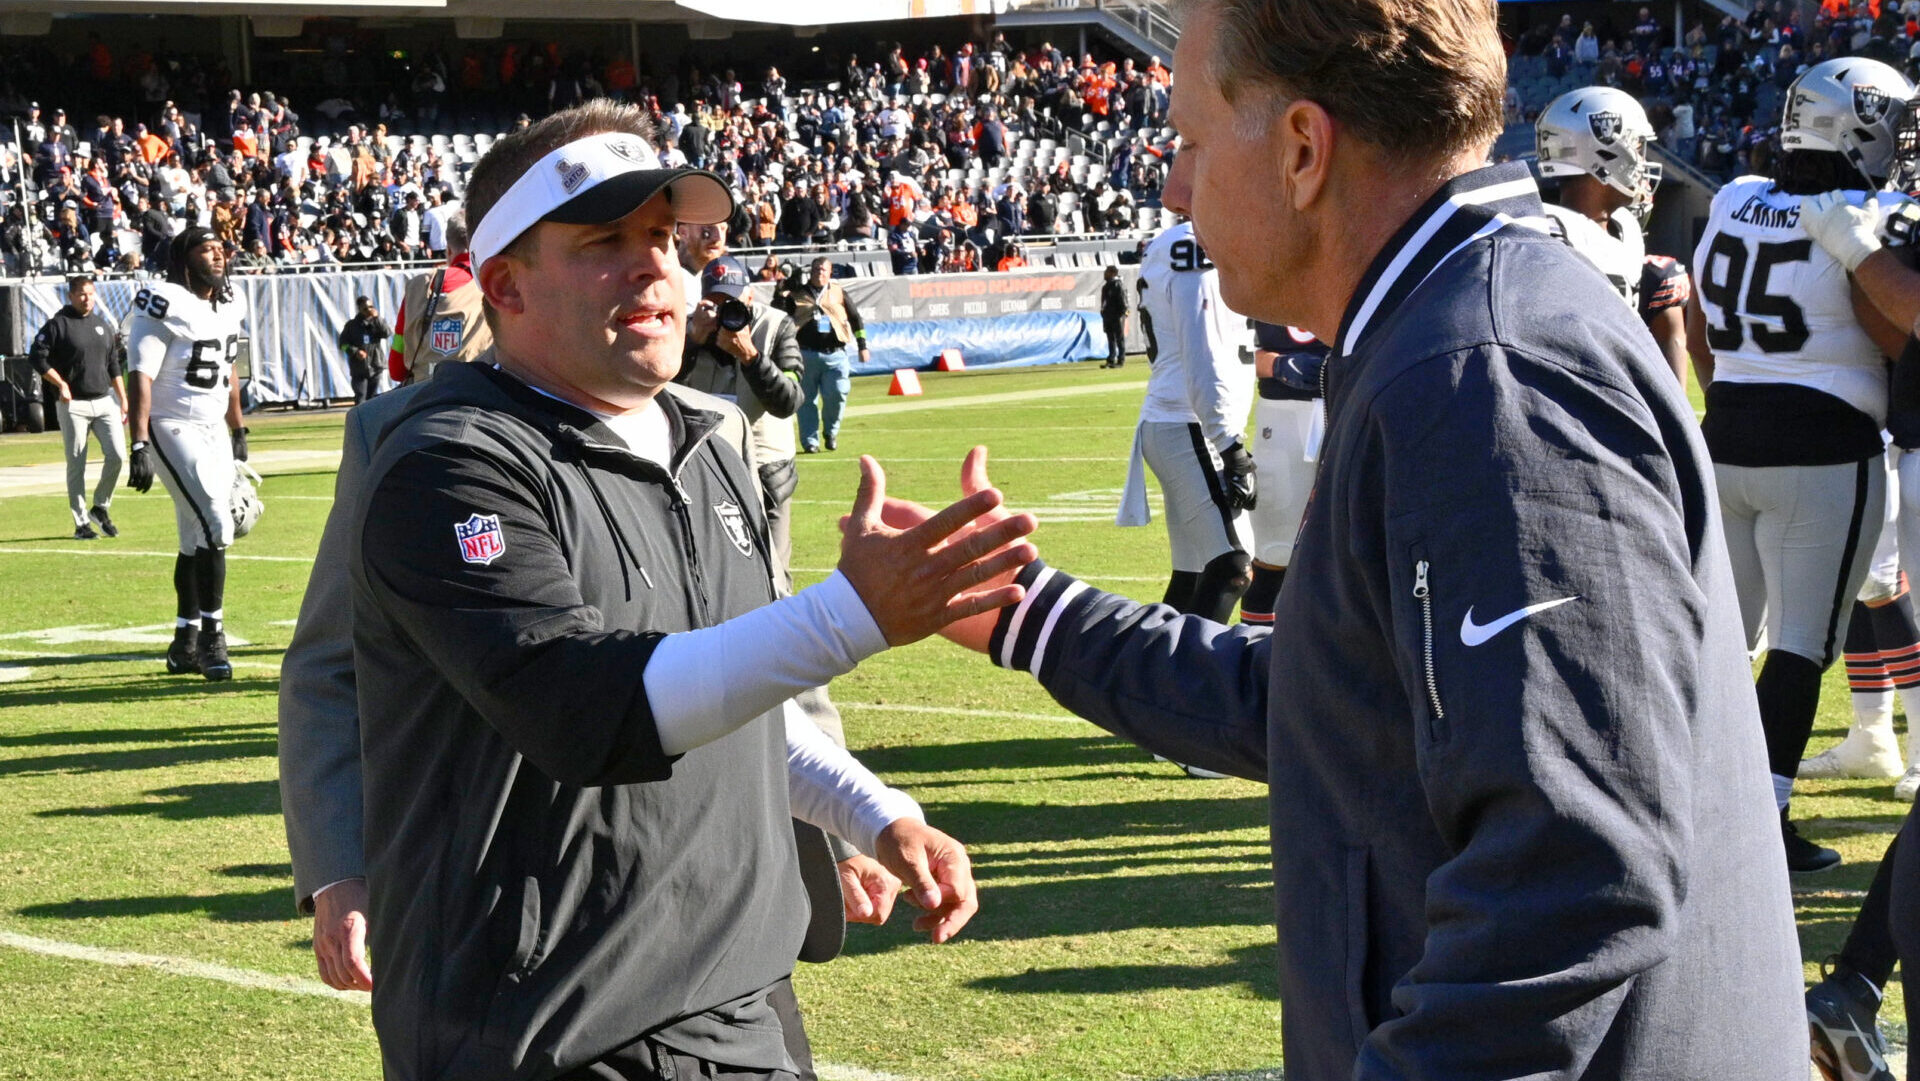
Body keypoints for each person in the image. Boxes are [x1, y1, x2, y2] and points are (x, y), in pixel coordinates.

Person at [889, 0, 1807, 1074]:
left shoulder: (1484, 375)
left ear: (1301, 149)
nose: (1174, 189)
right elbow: (1344, 703)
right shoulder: (1445, 328)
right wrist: (1027, 615)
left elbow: (1568, 869)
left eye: (1188, 141)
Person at [344, 101, 1032, 1081]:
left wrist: (874, 811)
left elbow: (730, 691)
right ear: (505, 284)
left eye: (665, 236)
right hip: (544, 1022)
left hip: (736, 993)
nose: (653, 264)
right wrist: (853, 614)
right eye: (604, 241)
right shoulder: (452, 465)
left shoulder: (706, 439)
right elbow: (585, 706)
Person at [1685, 56, 1914, 874]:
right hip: (1824, 448)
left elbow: (1700, 330)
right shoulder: (1870, 213)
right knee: (1801, 646)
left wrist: (1735, 395)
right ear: (1857, 123)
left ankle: (1691, 800)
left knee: (1720, 640)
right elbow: (1896, 328)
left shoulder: (1735, 199)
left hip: (1728, 440)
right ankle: (1765, 820)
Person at [124, 227, 249, 682]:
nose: (217, 255)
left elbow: (231, 368)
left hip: (212, 426)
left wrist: (238, 428)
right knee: (217, 522)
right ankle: (213, 637)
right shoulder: (163, 300)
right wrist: (138, 442)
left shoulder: (232, 302)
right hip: (171, 424)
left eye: (221, 249)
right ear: (184, 257)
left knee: (193, 537)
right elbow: (140, 374)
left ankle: (183, 642)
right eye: (206, 249)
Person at [1117, 218, 1257, 626]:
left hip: (1189, 422)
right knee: (1233, 566)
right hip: (1190, 423)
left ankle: (1148, 676)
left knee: (1194, 575)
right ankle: (1183, 685)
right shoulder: (1193, 243)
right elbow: (1203, 353)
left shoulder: (1187, 241)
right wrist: (1231, 446)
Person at [1534, 87, 1694, 386]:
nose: (1641, 161)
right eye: (1635, 146)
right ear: (1603, 152)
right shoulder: (1550, 234)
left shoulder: (1624, 228)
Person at [678, 254, 805, 565]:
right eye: (716, 302)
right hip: (708, 468)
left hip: (766, 470)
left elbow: (789, 401)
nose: (725, 311)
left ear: (750, 294)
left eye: (733, 301)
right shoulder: (691, 329)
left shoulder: (776, 325)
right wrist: (692, 342)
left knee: (774, 572)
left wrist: (751, 356)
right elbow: (656, 390)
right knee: (716, 569)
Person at [1238, 322, 1325, 625]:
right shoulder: (1257, 276)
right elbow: (1233, 355)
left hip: (1356, 401)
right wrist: (1277, 364)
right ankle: (1257, 663)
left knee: (1361, 550)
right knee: (1275, 552)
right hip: (1283, 411)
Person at [31, 274, 127, 540]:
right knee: (77, 464)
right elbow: (36, 358)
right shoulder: (58, 325)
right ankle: (81, 522)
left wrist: (123, 397)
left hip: (104, 400)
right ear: (71, 296)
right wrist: (60, 383)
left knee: (118, 456)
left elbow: (113, 364)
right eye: (82, 294)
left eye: (91, 293)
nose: (87, 299)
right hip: (74, 405)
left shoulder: (102, 326)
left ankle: (100, 507)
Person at [776, 256, 869, 453]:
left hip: (835, 355)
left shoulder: (837, 292)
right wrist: (781, 291)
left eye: (823, 270)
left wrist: (862, 345)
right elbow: (779, 314)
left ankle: (831, 431)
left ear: (830, 272)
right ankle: (810, 442)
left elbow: (855, 318)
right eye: (816, 269)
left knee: (837, 393)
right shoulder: (798, 293)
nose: (820, 272)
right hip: (805, 354)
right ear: (811, 271)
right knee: (806, 400)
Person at [388, 210, 490, 384]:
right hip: (476, 398)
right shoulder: (492, 286)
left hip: (424, 398)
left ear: (448, 250)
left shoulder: (418, 287)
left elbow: (397, 370)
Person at [337, 295, 391, 405]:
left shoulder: (377, 322)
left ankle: (371, 421)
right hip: (359, 368)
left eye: (371, 307)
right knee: (361, 398)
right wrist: (355, 351)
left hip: (375, 366)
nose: (369, 310)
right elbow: (342, 344)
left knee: (372, 399)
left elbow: (387, 333)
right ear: (359, 309)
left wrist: (377, 319)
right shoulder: (351, 325)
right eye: (365, 309)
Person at [1099, 264, 1128, 368]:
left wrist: (1124, 313)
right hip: (1108, 316)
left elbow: (1123, 300)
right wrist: (1103, 313)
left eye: (1106, 271)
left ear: (1112, 273)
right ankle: (1111, 358)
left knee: (1119, 338)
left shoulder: (1118, 284)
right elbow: (1104, 302)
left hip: (1117, 316)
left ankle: (1121, 360)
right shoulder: (1106, 286)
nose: (1104, 274)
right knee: (1110, 338)